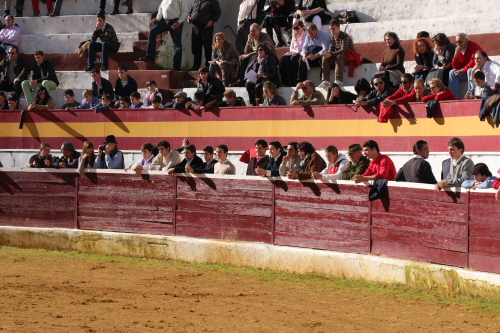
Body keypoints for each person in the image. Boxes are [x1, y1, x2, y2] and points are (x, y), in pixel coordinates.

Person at [139, 0, 188, 71]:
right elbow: (161, 8)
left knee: (177, 45)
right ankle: (150, 56)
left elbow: (185, 11)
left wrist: (179, 22)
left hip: (175, 21)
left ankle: (176, 67)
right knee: (152, 32)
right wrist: (158, 18)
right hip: (165, 21)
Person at [230, 23, 276, 87]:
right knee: (242, 59)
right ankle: (241, 80)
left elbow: (263, 50)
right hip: (257, 56)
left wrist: (248, 55)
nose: (251, 33)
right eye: (250, 31)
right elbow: (246, 51)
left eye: (253, 30)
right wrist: (248, 42)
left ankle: (251, 78)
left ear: (259, 30)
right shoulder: (252, 38)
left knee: (251, 57)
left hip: (268, 56)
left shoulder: (264, 36)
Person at [318, 19, 356, 90]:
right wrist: (327, 54)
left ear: (338, 28)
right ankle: (325, 80)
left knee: (339, 56)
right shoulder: (332, 38)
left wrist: (331, 54)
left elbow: (343, 51)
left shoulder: (345, 36)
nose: (332, 31)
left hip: (349, 57)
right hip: (339, 58)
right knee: (325, 58)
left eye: (333, 29)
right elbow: (331, 50)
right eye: (330, 29)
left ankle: (339, 80)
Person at [187, 0, 221, 71]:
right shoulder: (195, 1)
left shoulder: (212, 1)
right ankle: (196, 66)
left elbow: (217, 12)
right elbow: (191, 11)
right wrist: (189, 17)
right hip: (196, 27)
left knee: (207, 47)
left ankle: (208, 66)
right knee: (196, 48)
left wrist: (212, 21)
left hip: (206, 27)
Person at [449, 33, 483, 99]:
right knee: (452, 73)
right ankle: (454, 98)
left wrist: (462, 70)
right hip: (466, 71)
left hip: (479, 70)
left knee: (470, 70)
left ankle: (470, 96)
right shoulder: (458, 49)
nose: (458, 44)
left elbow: (474, 62)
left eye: (460, 41)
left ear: (466, 40)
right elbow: (456, 67)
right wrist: (456, 55)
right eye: (456, 42)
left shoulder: (473, 46)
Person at [280, 20, 306, 87]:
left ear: (302, 28)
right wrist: (294, 51)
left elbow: (300, 49)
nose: (296, 30)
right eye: (294, 29)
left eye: (297, 28)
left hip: (302, 54)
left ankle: (295, 80)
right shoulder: (295, 36)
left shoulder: (305, 36)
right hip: (295, 53)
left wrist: (295, 40)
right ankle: (288, 81)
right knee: (285, 58)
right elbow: (291, 48)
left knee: (293, 58)